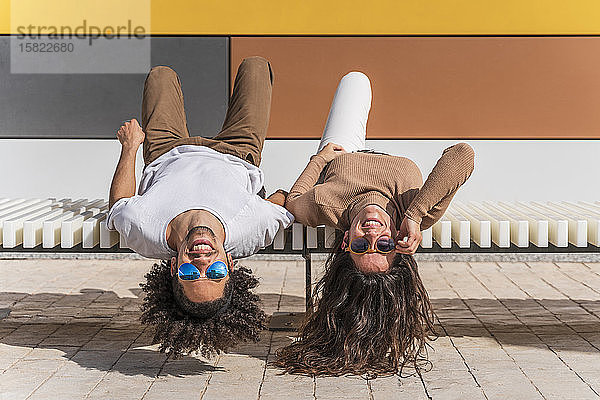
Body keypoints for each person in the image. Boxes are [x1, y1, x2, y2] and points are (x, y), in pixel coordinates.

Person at [276, 71, 475, 376]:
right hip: (395, 176)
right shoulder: (415, 211)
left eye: (360, 245)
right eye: (384, 245)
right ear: (397, 241)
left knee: (355, 79)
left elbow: (295, 198)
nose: (372, 233)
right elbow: (462, 154)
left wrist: (320, 158)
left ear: (345, 242)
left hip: (344, 150)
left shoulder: (325, 204)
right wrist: (413, 215)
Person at [106, 57, 293, 357]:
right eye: (216, 272)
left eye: (190, 274)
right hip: (237, 150)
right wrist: (267, 194)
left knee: (161, 75)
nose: (203, 263)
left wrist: (130, 147)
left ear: (172, 267)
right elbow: (283, 202)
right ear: (230, 265)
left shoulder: (147, 231)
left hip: (166, 150)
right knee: (255, 67)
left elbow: (118, 207)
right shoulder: (250, 230)